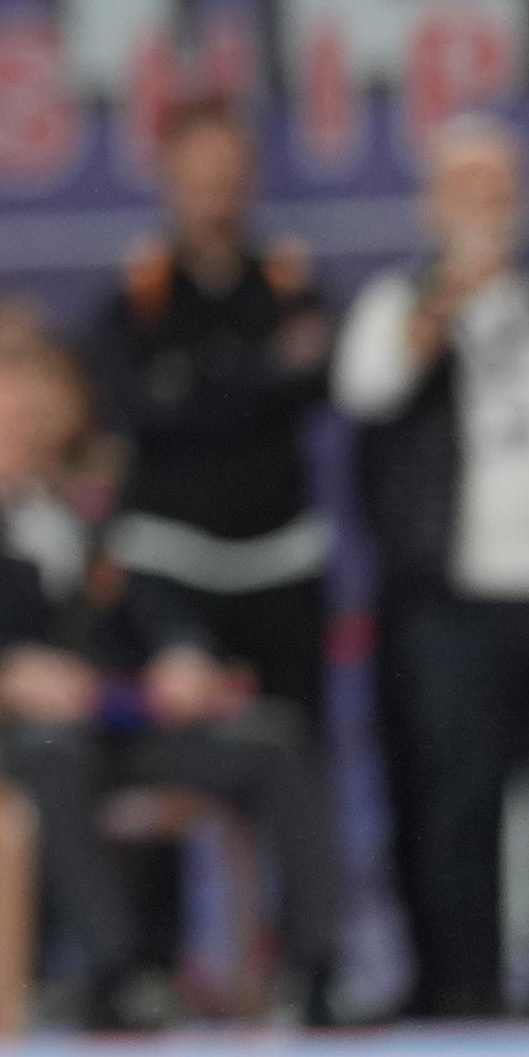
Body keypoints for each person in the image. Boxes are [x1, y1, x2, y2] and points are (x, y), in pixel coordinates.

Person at [0, 336, 339, 1028]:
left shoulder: (83, 518)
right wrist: (3, 669)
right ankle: (120, 974)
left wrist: (182, 653)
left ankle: (317, 969)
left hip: (122, 728)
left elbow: (152, 605)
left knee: (276, 738)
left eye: (23, 420)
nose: (14, 436)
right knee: (56, 753)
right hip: (5, 744)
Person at [341, 114, 529, 1016]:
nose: (488, 209)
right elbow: (368, 386)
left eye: (502, 190)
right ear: (432, 205)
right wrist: (444, 301)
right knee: (461, 798)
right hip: (458, 599)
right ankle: (468, 983)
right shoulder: (398, 299)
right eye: (468, 191)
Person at [85, 102, 335, 734]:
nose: (215, 200)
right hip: (167, 561)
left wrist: (193, 382)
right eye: (198, 181)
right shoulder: (137, 298)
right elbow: (138, 408)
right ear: (168, 180)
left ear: (250, 177)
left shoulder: (290, 284)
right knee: (168, 753)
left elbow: (318, 380)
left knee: (291, 746)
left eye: (227, 179)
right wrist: (262, 371)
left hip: (280, 560)